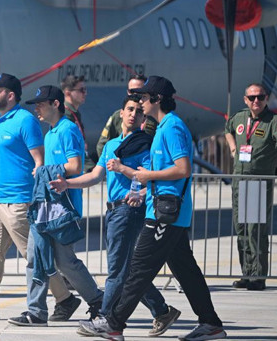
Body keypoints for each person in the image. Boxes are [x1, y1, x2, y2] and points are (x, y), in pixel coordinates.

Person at [81, 75, 226, 341]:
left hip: (165, 214)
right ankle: (211, 323)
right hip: (164, 210)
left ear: (157, 99)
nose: (140, 102)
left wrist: (147, 176)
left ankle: (113, 323)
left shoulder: (172, 127)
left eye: (144, 98)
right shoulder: (161, 128)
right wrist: (149, 183)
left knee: (138, 268)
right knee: (186, 271)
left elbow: (182, 169)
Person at [50, 96, 181, 337]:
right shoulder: (111, 145)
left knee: (117, 269)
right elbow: (95, 175)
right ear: (120, 113)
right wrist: (67, 183)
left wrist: (138, 188)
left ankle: (105, 316)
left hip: (129, 211)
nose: (133, 114)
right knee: (129, 269)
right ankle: (161, 310)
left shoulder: (145, 145)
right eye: (129, 110)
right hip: (113, 210)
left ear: (143, 118)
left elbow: (151, 178)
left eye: (139, 112)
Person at [0, 73, 82, 322]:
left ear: (11, 94)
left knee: (34, 256)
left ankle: (65, 299)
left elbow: (40, 162)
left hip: (20, 200)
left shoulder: (25, 121)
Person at [10, 85, 103, 327]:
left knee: (65, 262)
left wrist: (46, 171)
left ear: (56, 104)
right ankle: (36, 312)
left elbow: (75, 166)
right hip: (45, 206)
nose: (36, 108)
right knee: (35, 257)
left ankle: (97, 301)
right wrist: (41, 172)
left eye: (41, 103)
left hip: (63, 207)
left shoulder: (68, 130)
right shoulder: (50, 133)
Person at [225, 83, 277, 291]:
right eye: (251, 98)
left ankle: (258, 275)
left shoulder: (274, 121)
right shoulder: (240, 117)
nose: (256, 101)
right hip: (239, 181)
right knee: (241, 228)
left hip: (257, 183)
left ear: (266, 98)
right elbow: (227, 129)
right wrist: (233, 148)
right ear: (245, 100)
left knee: (255, 230)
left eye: (260, 97)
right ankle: (247, 273)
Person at [94, 74, 158, 158]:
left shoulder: (154, 117)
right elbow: (102, 145)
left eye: (139, 91)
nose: (135, 94)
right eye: (131, 91)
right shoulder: (119, 115)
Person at [61, 75, 95, 172]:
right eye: (81, 90)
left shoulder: (73, 113)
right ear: (68, 93)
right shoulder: (66, 116)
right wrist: (91, 168)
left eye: (85, 89)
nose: (85, 93)